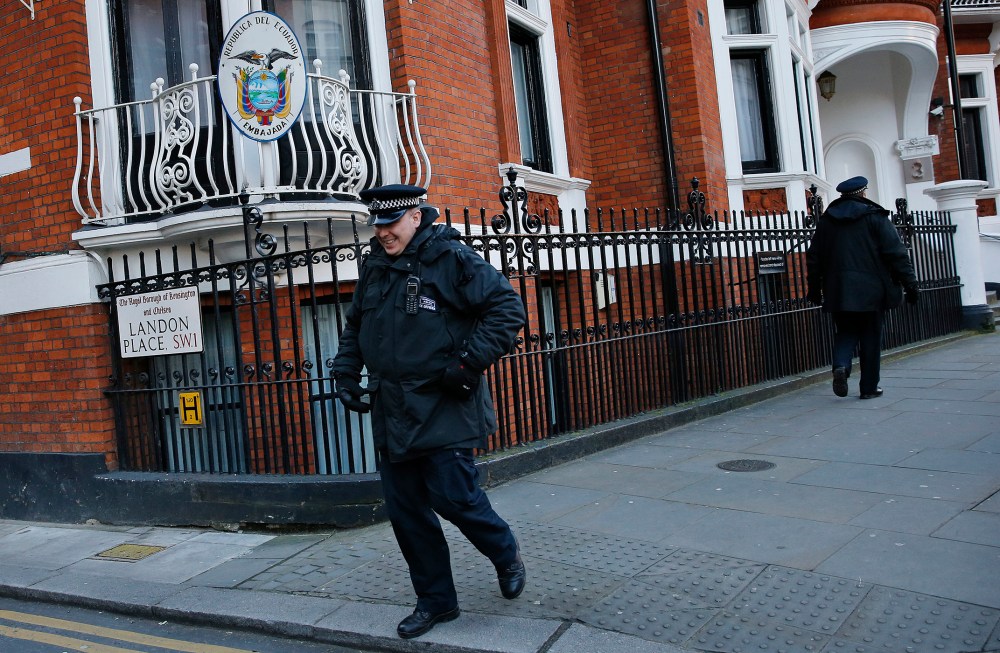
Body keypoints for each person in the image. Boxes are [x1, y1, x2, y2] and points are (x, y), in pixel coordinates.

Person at [332, 184, 527, 639]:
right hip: (392, 408)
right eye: (377, 225)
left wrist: (467, 363)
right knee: (408, 513)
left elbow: (507, 308)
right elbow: (357, 325)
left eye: (391, 224)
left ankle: (505, 552)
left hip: (443, 402)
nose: (382, 233)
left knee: (454, 497)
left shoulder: (451, 258)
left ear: (416, 216)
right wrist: (345, 373)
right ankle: (437, 602)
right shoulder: (375, 267)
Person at [806, 176, 919, 399]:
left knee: (846, 331)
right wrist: (911, 285)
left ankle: (841, 366)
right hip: (872, 291)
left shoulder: (827, 222)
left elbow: (814, 259)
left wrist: (814, 289)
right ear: (863, 193)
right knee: (871, 337)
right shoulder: (875, 218)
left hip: (838, 290)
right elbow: (896, 255)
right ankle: (868, 388)